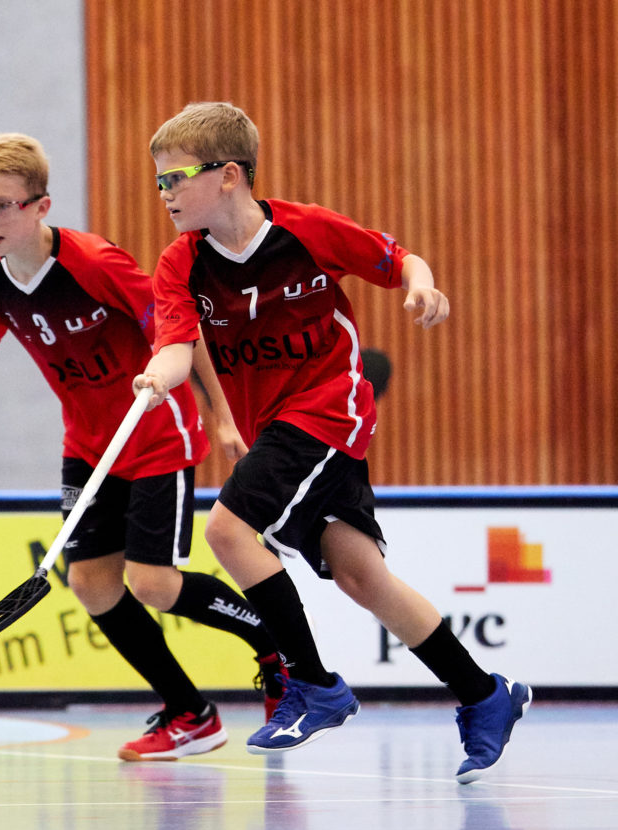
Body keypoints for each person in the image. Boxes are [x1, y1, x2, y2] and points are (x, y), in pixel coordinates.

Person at [134, 101, 530, 783]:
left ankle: (313, 684)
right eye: (159, 181)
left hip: (329, 407)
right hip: (276, 426)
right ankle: (485, 694)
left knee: (228, 531)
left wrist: (423, 286)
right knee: (360, 573)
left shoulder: (307, 231)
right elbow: (175, 347)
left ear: (229, 175)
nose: (164, 193)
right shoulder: (181, 265)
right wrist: (156, 378)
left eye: (177, 178)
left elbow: (399, 259)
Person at [0, 133, 285, 761]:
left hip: (158, 434)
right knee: (93, 584)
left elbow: (179, 331)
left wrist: (221, 416)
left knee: (154, 584)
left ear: (40, 206)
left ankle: (276, 642)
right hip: (87, 444)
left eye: (1, 205)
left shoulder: (95, 264)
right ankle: (191, 712)